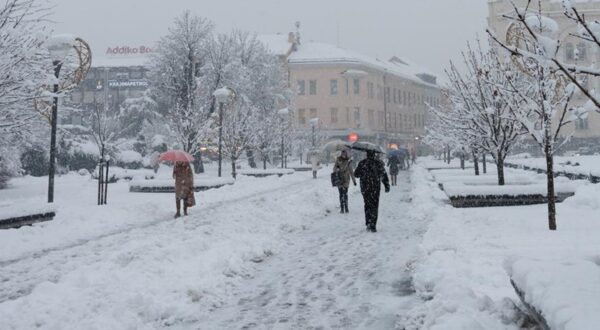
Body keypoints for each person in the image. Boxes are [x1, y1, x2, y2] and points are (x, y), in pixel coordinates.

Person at [354, 150, 390, 232]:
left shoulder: (362, 163)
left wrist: (363, 172)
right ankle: (373, 224)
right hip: (375, 187)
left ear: (367, 155)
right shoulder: (378, 164)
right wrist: (386, 185)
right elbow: (383, 175)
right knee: (375, 205)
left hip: (365, 187)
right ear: (374, 155)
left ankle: (368, 223)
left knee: (367, 205)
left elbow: (356, 174)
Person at [333, 149, 356, 213]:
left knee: (345, 194)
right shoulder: (338, 160)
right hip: (339, 179)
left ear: (346, 154)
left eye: (344, 153)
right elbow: (334, 168)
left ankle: (346, 207)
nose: (343, 154)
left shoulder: (348, 161)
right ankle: (342, 208)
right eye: (342, 153)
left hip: (346, 180)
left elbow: (351, 172)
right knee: (340, 194)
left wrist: (354, 180)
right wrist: (336, 169)